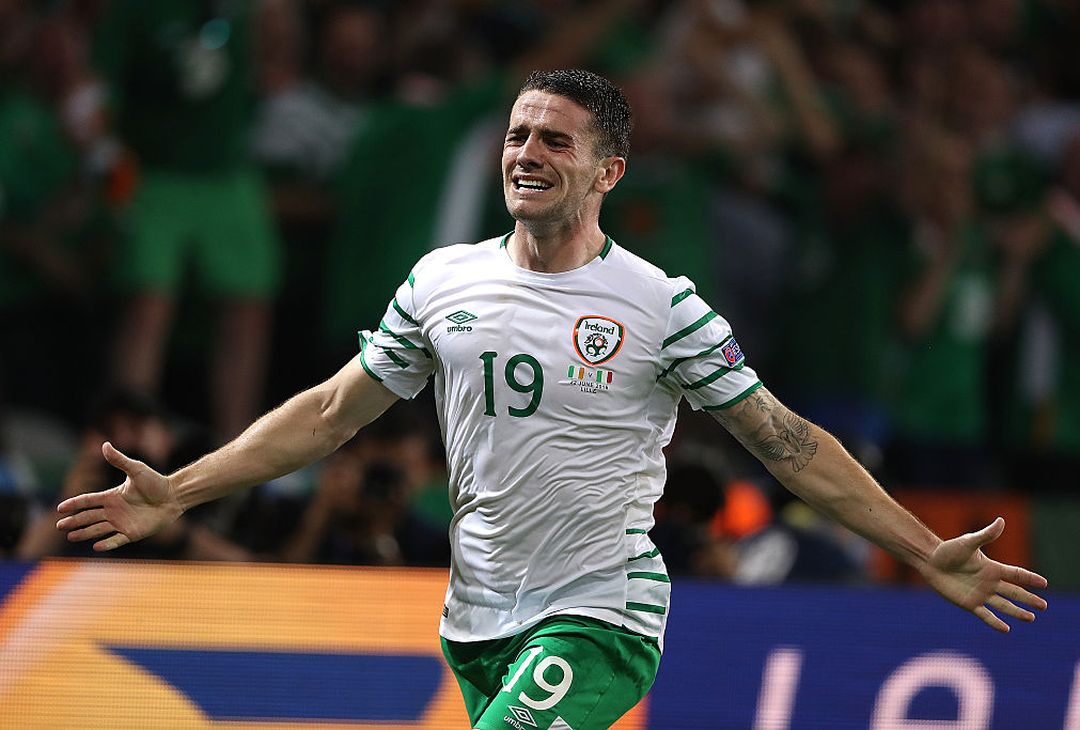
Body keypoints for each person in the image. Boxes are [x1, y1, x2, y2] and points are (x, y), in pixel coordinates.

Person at [57, 69, 1048, 730]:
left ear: (608, 171)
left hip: (599, 614)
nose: (527, 152)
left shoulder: (660, 304)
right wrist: (179, 490)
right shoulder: (441, 279)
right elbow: (327, 414)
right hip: (475, 620)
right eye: (519, 134)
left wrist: (922, 549)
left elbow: (788, 445)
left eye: (556, 141)